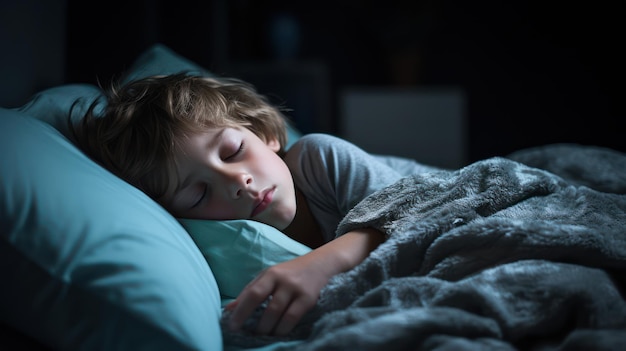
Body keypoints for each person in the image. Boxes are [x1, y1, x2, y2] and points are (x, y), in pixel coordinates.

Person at [71, 73, 420, 336]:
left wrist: (322, 263)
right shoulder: (222, 250)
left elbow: (420, 211)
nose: (238, 183)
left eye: (233, 151)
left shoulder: (319, 160)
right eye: (198, 194)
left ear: (262, 133)